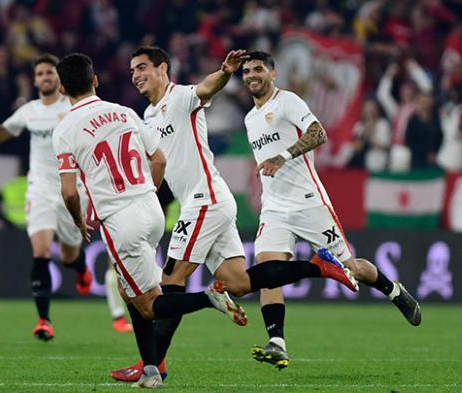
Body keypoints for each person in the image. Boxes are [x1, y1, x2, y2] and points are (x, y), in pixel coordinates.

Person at [110, 46, 357, 382]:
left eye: (142, 67)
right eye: (132, 70)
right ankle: (318, 266)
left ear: (162, 69)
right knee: (240, 284)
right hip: (206, 202)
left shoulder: (180, 96)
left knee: (170, 283)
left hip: (205, 199)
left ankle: (154, 365)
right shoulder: (148, 117)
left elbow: (207, 87)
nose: (136, 75)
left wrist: (226, 71)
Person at [52, 53, 246, 388]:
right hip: (151, 210)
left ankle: (208, 298)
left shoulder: (65, 128)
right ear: (95, 80)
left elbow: (69, 193)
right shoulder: (125, 112)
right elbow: (158, 159)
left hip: (119, 219)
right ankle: (151, 370)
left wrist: (78, 221)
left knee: (149, 304)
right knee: (132, 294)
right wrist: (149, 193)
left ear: (63, 87)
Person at [241, 51, 422, 369]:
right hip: (274, 209)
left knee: (351, 267)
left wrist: (283, 156)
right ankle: (277, 343)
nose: (251, 75)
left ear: (273, 74)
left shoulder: (288, 101)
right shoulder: (249, 118)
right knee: (268, 273)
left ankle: (394, 290)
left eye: (258, 69)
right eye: (246, 71)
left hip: (310, 203)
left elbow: (318, 133)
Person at [0, 53, 116, 341]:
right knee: (40, 252)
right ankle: (44, 320)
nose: (45, 78)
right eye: (40, 74)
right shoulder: (30, 111)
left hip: (72, 191)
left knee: (68, 255)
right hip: (39, 190)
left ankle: (80, 269)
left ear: (59, 79)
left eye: (49, 73)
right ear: (35, 80)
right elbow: (0, 134)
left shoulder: (74, 107)